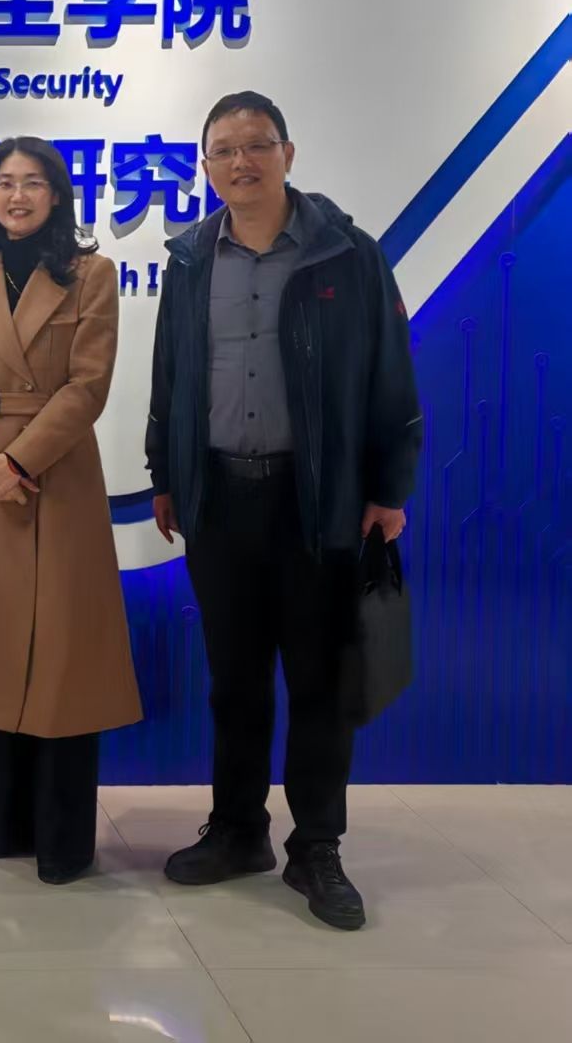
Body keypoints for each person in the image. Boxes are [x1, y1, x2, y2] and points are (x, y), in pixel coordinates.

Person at [146, 91, 422, 930]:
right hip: (219, 495)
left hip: (316, 498)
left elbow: (390, 374)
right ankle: (238, 830)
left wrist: (389, 488)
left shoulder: (347, 254)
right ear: (206, 166)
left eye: (257, 145)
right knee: (234, 680)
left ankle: (318, 847)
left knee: (318, 681)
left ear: (288, 154)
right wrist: (165, 472)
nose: (242, 161)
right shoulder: (191, 258)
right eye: (224, 150)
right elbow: (171, 374)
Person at [0, 136, 142, 883]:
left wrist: (18, 461)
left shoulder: (90, 274)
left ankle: (63, 838)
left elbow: (88, 386)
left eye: (32, 183)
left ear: (57, 195)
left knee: (62, 664)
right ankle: (5, 822)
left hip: (57, 482)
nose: (16, 196)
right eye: (3, 183)